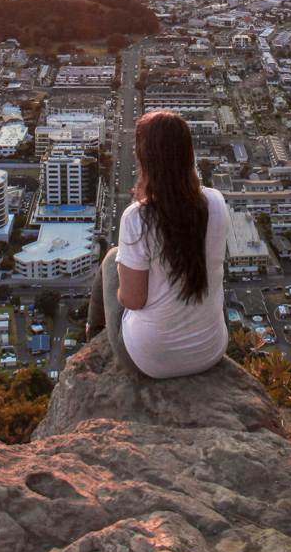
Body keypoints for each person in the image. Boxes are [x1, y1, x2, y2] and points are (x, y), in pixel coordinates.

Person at [86, 109, 229, 379]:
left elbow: (132, 300)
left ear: (145, 159)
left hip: (150, 360)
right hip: (211, 351)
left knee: (110, 260)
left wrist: (119, 285)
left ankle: (94, 336)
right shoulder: (216, 203)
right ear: (188, 152)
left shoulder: (138, 218)